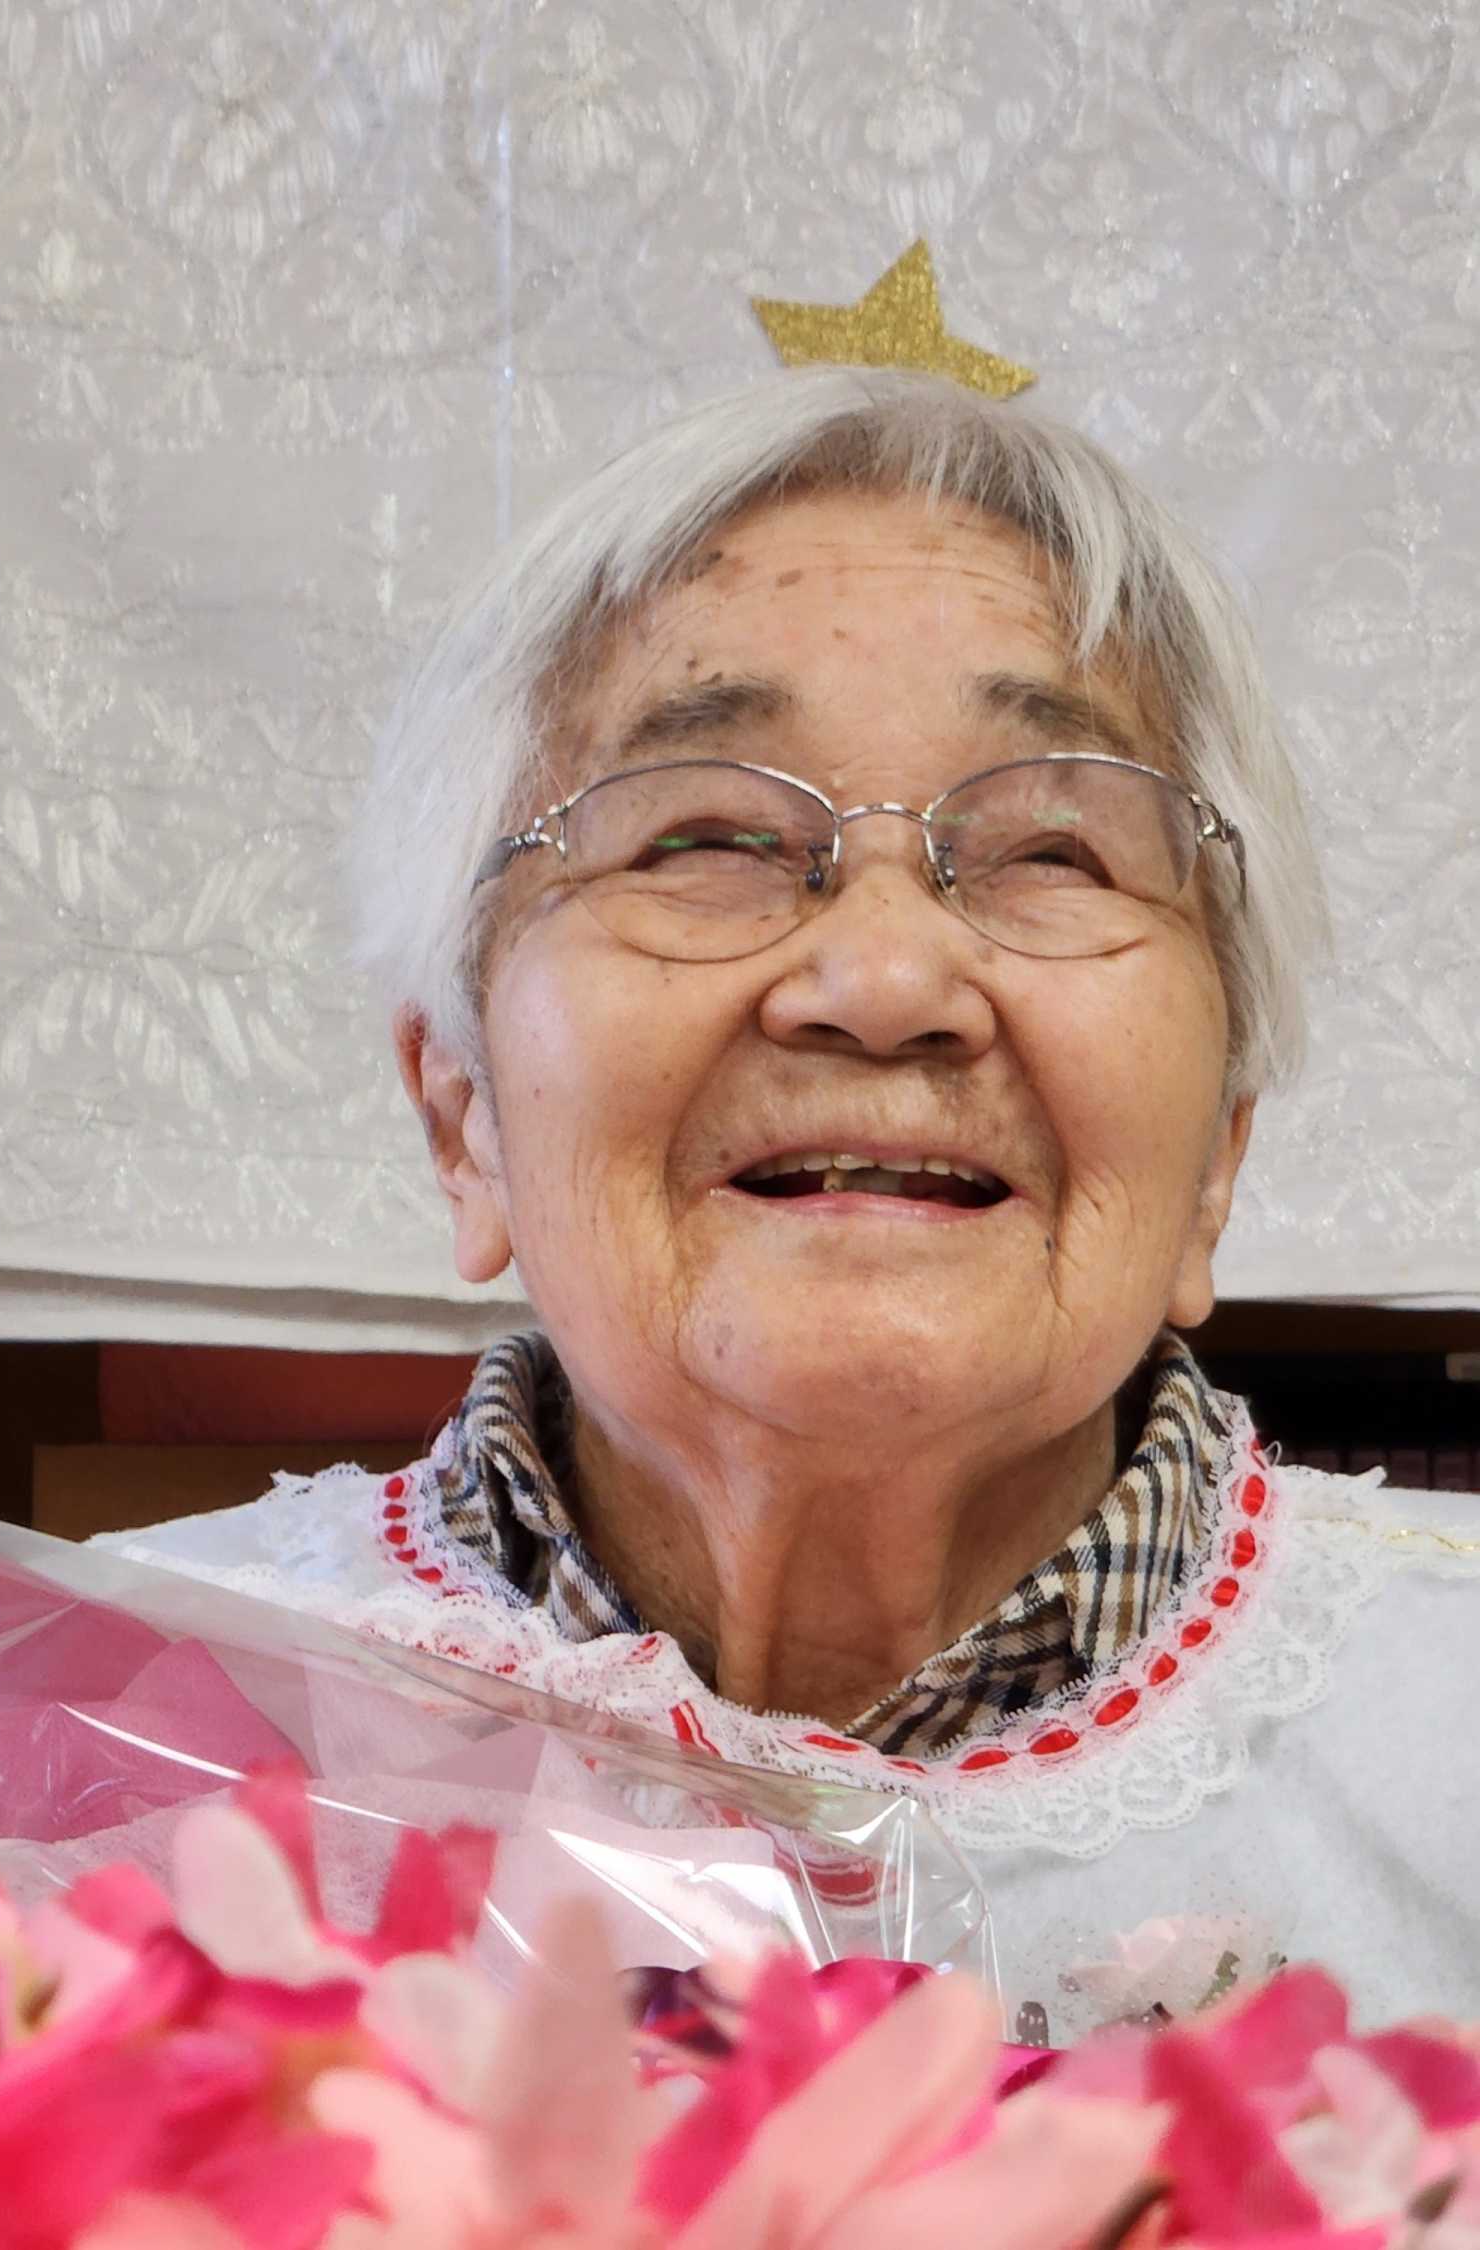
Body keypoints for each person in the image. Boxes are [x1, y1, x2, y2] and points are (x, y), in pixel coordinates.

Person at [106, 369, 1480, 2037]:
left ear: (1217, 1161)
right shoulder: (67, 1738)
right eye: (702, 838)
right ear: (460, 1110)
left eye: (1053, 849)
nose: (887, 978)